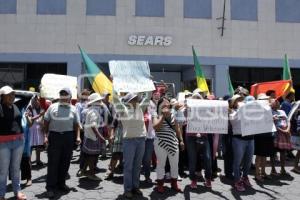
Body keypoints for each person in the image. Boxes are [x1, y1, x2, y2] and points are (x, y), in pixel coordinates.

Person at [44, 88, 81, 198]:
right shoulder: (52, 107)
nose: (63, 96)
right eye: (62, 94)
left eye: (66, 94)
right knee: (53, 163)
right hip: (54, 137)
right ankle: (50, 187)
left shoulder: (74, 109)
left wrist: (78, 137)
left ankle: (61, 184)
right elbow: (46, 122)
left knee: (65, 162)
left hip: (68, 137)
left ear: (70, 97)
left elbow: (76, 124)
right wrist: (45, 136)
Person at [113, 91, 150, 199]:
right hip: (129, 141)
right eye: (132, 99)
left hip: (141, 140)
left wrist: (148, 83)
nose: (134, 100)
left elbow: (148, 96)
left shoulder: (140, 108)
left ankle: (135, 187)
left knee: (138, 165)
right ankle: (128, 190)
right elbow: (115, 99)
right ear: (128, 101)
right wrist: (114, 83)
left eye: (135, 98)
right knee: (128, 166)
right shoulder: (123, 109)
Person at [0, 85, 27, 200]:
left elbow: (28, 96)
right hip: (3, 143)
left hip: (19, 141)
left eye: (13, 94)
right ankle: (1, 194)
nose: (11, 96)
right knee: (3, 170)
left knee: (16, 168)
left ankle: (17, 192)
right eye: (8, 94)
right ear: (2, 96)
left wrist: (16, 92)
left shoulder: (17, 105)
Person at [153, 97, 184, 193]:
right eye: (164, 104)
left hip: (173, 142)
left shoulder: (172, 115)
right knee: (161, 164)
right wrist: (163, 116)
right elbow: (156, 127)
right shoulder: (156, 115)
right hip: (160, 143)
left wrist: (181, 140)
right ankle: (160, 184)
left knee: (174, 164)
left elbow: (177, 129)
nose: (166, 106)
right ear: (160, 106)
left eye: (168, 104)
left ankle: (174, 183)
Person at [186, 93, 212, 189]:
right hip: (191, 137)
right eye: (194, 99)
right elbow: (181, 117)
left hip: (203, 136)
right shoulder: (187, 109)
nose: (196, 100)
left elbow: (213, 119)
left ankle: (208, 179)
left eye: (198, 99)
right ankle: (193, 180)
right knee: (192, 159)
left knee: (208, 158)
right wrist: (185, 107)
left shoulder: (206, 110)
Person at [79, 93, 106, 181]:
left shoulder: (91, 110)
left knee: (88, 156)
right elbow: (93, 126)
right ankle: (91, 174)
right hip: (93, 137)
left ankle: (83, 170)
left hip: (89, 136)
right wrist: (100, 137)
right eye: (99, 101)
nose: (101, 102)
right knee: (92, 157)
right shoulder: (94, 112)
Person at [230, 94, 254, 192]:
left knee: (248, 161)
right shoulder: (232, 112)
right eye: (238, 100)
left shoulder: (250, 112)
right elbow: (233, 122)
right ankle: (237, 180)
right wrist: (241, 109)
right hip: (238, 140)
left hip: (250, 139)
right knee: (237, 162)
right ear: (234, 103)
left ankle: (245, 177)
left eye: (242, 100)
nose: (241, 102)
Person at [254, 94, 275, 182]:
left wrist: (272, 118)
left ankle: (263, 172)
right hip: (260, 134)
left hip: (268, 134)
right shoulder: (256, 109)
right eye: (265, 99)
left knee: (265, 155)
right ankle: (257, 174)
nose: (267, 100)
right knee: (259, 155)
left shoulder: (268, 108)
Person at [272, 99, 292, 175]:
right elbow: (271, 123)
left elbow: (288, 120)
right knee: (273, 153)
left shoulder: (282, 111)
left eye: (278, 102)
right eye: (275, 102)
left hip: (284, 134)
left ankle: (282, 169)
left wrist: (287, 129)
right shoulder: (270, 112)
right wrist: (282, 130)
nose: (277, 103)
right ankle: (273, 169)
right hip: (276, 134)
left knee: (283, 152)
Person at [26, 95, 45, 167]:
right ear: (32, 101)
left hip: (39, 129)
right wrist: (39, 115)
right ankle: (29, 161)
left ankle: (38, 160)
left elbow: (43, 118)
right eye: (36, 100)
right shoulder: (29, 109)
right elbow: (30, 120)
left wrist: (42, 119)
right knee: (30, 147)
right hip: (31, 129)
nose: (37, 101)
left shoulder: (41, 109)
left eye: (38, 100)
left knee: (38, 146)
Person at [142, 102, 156, 184]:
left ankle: (147, 176)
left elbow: (155, 123)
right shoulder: (138, 108)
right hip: (139, 137)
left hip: (150, 137)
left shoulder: (152, 106)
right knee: (138, 158)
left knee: (147, 159)